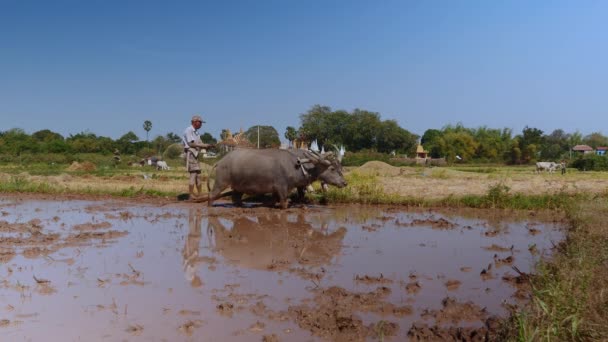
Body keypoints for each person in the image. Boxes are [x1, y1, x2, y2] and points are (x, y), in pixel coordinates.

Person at [183, 115, 214, 199]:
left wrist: (208, 146)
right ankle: (190, 195)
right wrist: (204, 145)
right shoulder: (189, 130)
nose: (201, 124)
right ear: (194, 122)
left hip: (195, 154)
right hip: (191, 154)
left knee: (198, 175)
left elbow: (200, 143)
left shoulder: (196, 132)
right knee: (193, 174)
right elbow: (191, 144)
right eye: (200, 122)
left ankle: (199, 194)